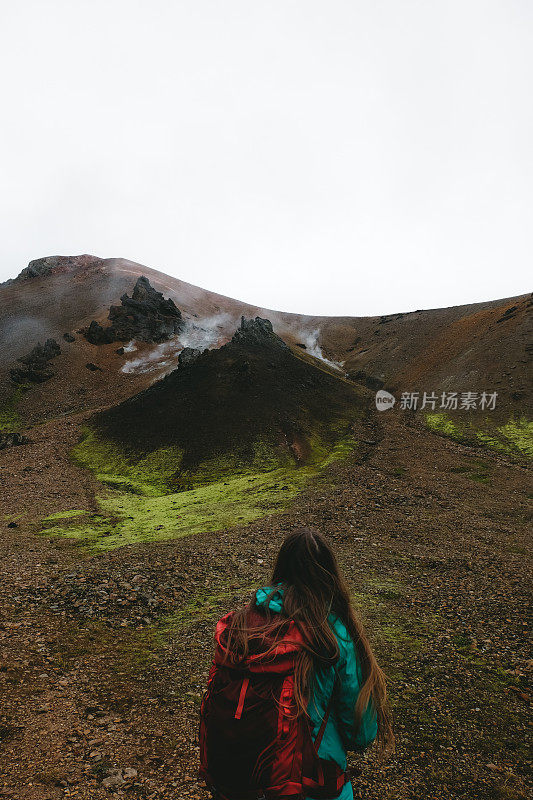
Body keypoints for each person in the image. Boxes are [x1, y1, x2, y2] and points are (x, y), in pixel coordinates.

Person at [199, 527, 394, 800]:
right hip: (308, 787)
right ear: (329, 574)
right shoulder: (333, 635)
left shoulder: (244, 624)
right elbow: (360, 733)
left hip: (235, 781)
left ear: (281, 567)